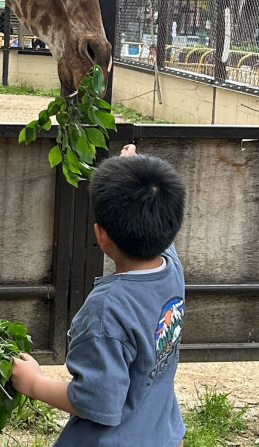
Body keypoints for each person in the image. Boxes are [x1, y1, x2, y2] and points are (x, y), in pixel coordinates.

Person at [11, 144, 186, 446]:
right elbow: (153, 212)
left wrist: (34, 383)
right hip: (161, 435)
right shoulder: (171, 268)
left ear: (101, 236)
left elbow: (97, 403)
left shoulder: (107, 311)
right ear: (174, 226)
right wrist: (130, 167)